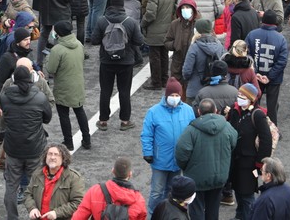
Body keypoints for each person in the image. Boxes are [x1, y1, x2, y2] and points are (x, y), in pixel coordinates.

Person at [0, 66, 53, 220]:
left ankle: (12, 217)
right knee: (36, 185)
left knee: (11, 185)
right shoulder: (40, 97)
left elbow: (4, 117)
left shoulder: (5, 97)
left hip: (13, 147)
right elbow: (47, 118)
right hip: (35, 148)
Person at [174, 98, 237, 220]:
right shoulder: (227, 126)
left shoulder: (191, 130)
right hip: (219, 177)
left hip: (196, 178)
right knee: (213, 208)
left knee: (196, 209)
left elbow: (181, 154)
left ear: (199, 111)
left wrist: (186, 168)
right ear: (216, 110)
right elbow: (233, 144)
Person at [140, 77, 195, 215]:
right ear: (166, 95)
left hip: (178, 161)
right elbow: (147, 134)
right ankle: (154, 214)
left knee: (172, 192)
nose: (175, 98)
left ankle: (169, 215)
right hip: (160, 160)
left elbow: (193, 133)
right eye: (172, 95)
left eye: (177, 95)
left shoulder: (188, 110)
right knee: (156, 192)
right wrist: (148, 152)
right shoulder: (154, 111)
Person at [92, 0, 144, 131]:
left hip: (106, 61)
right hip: (126, 62)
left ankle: (103, 121)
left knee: (105, 91)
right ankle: (125, 121)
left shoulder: (102, 21)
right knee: (124, 91)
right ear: (122, 6)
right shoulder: (130, 21)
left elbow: (94, 40)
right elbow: (139, 41)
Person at [227, 83, 273, 218]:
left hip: (250, 164)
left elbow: (266, 141)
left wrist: (260, 164)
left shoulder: (257, 115)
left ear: (251, 99)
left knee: (247, 194)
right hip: (236, 161)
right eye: (239, 95)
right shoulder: (235, 111)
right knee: (238, 191)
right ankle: (240, 215)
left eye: (243, 96)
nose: (239, 98)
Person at [47, 20, 91, 150]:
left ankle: (68, 142)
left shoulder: (57, 49)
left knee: (64, 115)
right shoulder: (78, 44)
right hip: (77, 84)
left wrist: (47, 59)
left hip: (63, 86)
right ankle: (87, 139)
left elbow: (51, 69)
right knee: (79, 111)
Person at [245, 10, 288, 124]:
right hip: (274, 79)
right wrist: (270, 76)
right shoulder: (281, 39)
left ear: (262, 21)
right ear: (275, 23)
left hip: (256, 77)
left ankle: (252, 125)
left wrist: (255, 73)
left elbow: (246, 55)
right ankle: (272, 129)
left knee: (253, 103)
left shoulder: (252, 35)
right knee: (272, 105)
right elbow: (282, 61)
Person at [72, 157, 147, 220]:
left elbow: (79, 216)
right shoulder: (139, 200)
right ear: (130, 174)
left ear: (113, 171)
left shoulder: (95, 190)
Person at [25, 144, 86, 220]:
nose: (52, 157)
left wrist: (57, 213)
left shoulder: (74, 178)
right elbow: (28, 194)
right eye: (50, 154)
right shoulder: (37, 174)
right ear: (45, 157)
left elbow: (78, 202)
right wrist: (32, 208)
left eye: (56, 155)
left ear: (63, 158)